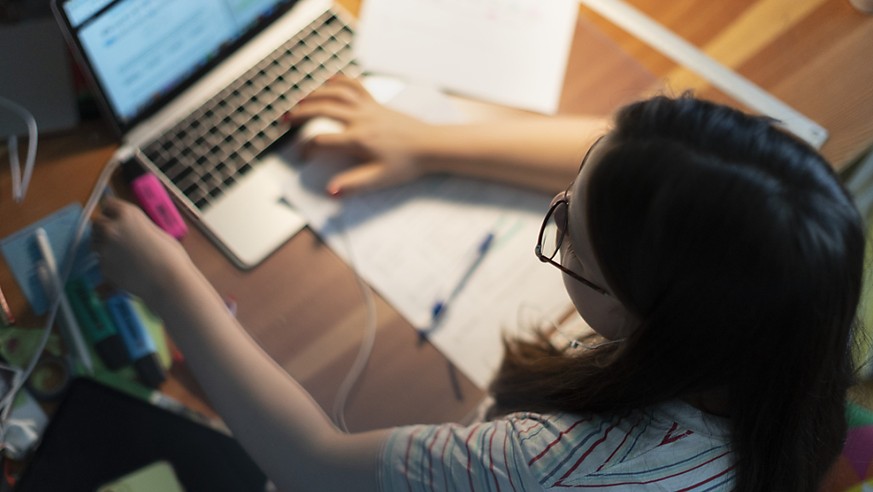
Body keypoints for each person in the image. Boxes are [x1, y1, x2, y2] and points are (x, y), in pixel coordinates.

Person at [93, 76, 865, 491]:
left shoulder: (552, 463)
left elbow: (316, 467)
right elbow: (638, 162)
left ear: (643, 316)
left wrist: (169, 287)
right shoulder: (794, 322)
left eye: (568, 233)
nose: (554, 210)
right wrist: (426, 142)